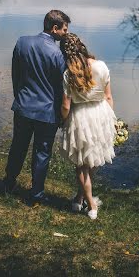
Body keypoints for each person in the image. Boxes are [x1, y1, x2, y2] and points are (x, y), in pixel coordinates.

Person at [3, 9, 70, 204]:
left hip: (23, 106)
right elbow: (61, 87)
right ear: (55, 28)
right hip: (47, 112)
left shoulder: (22, 42)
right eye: (64, 29)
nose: (65, 33)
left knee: (18, 146)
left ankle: (8, 182)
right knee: (42, 153)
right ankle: (36, 194)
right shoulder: (58, 54)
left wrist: (19, 97)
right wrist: (61, 114)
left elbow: (16, 75)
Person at [60, 33, 116, 220]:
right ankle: (79, 198)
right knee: (90, 160)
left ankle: (91, 206)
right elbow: (108, 97)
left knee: (81, 165)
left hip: (82, 116)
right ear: (83, 46)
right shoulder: (102, 66)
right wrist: (111, 121)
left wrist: (63, 121)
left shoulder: (69, 74)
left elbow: (66, 105)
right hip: (101, 113)